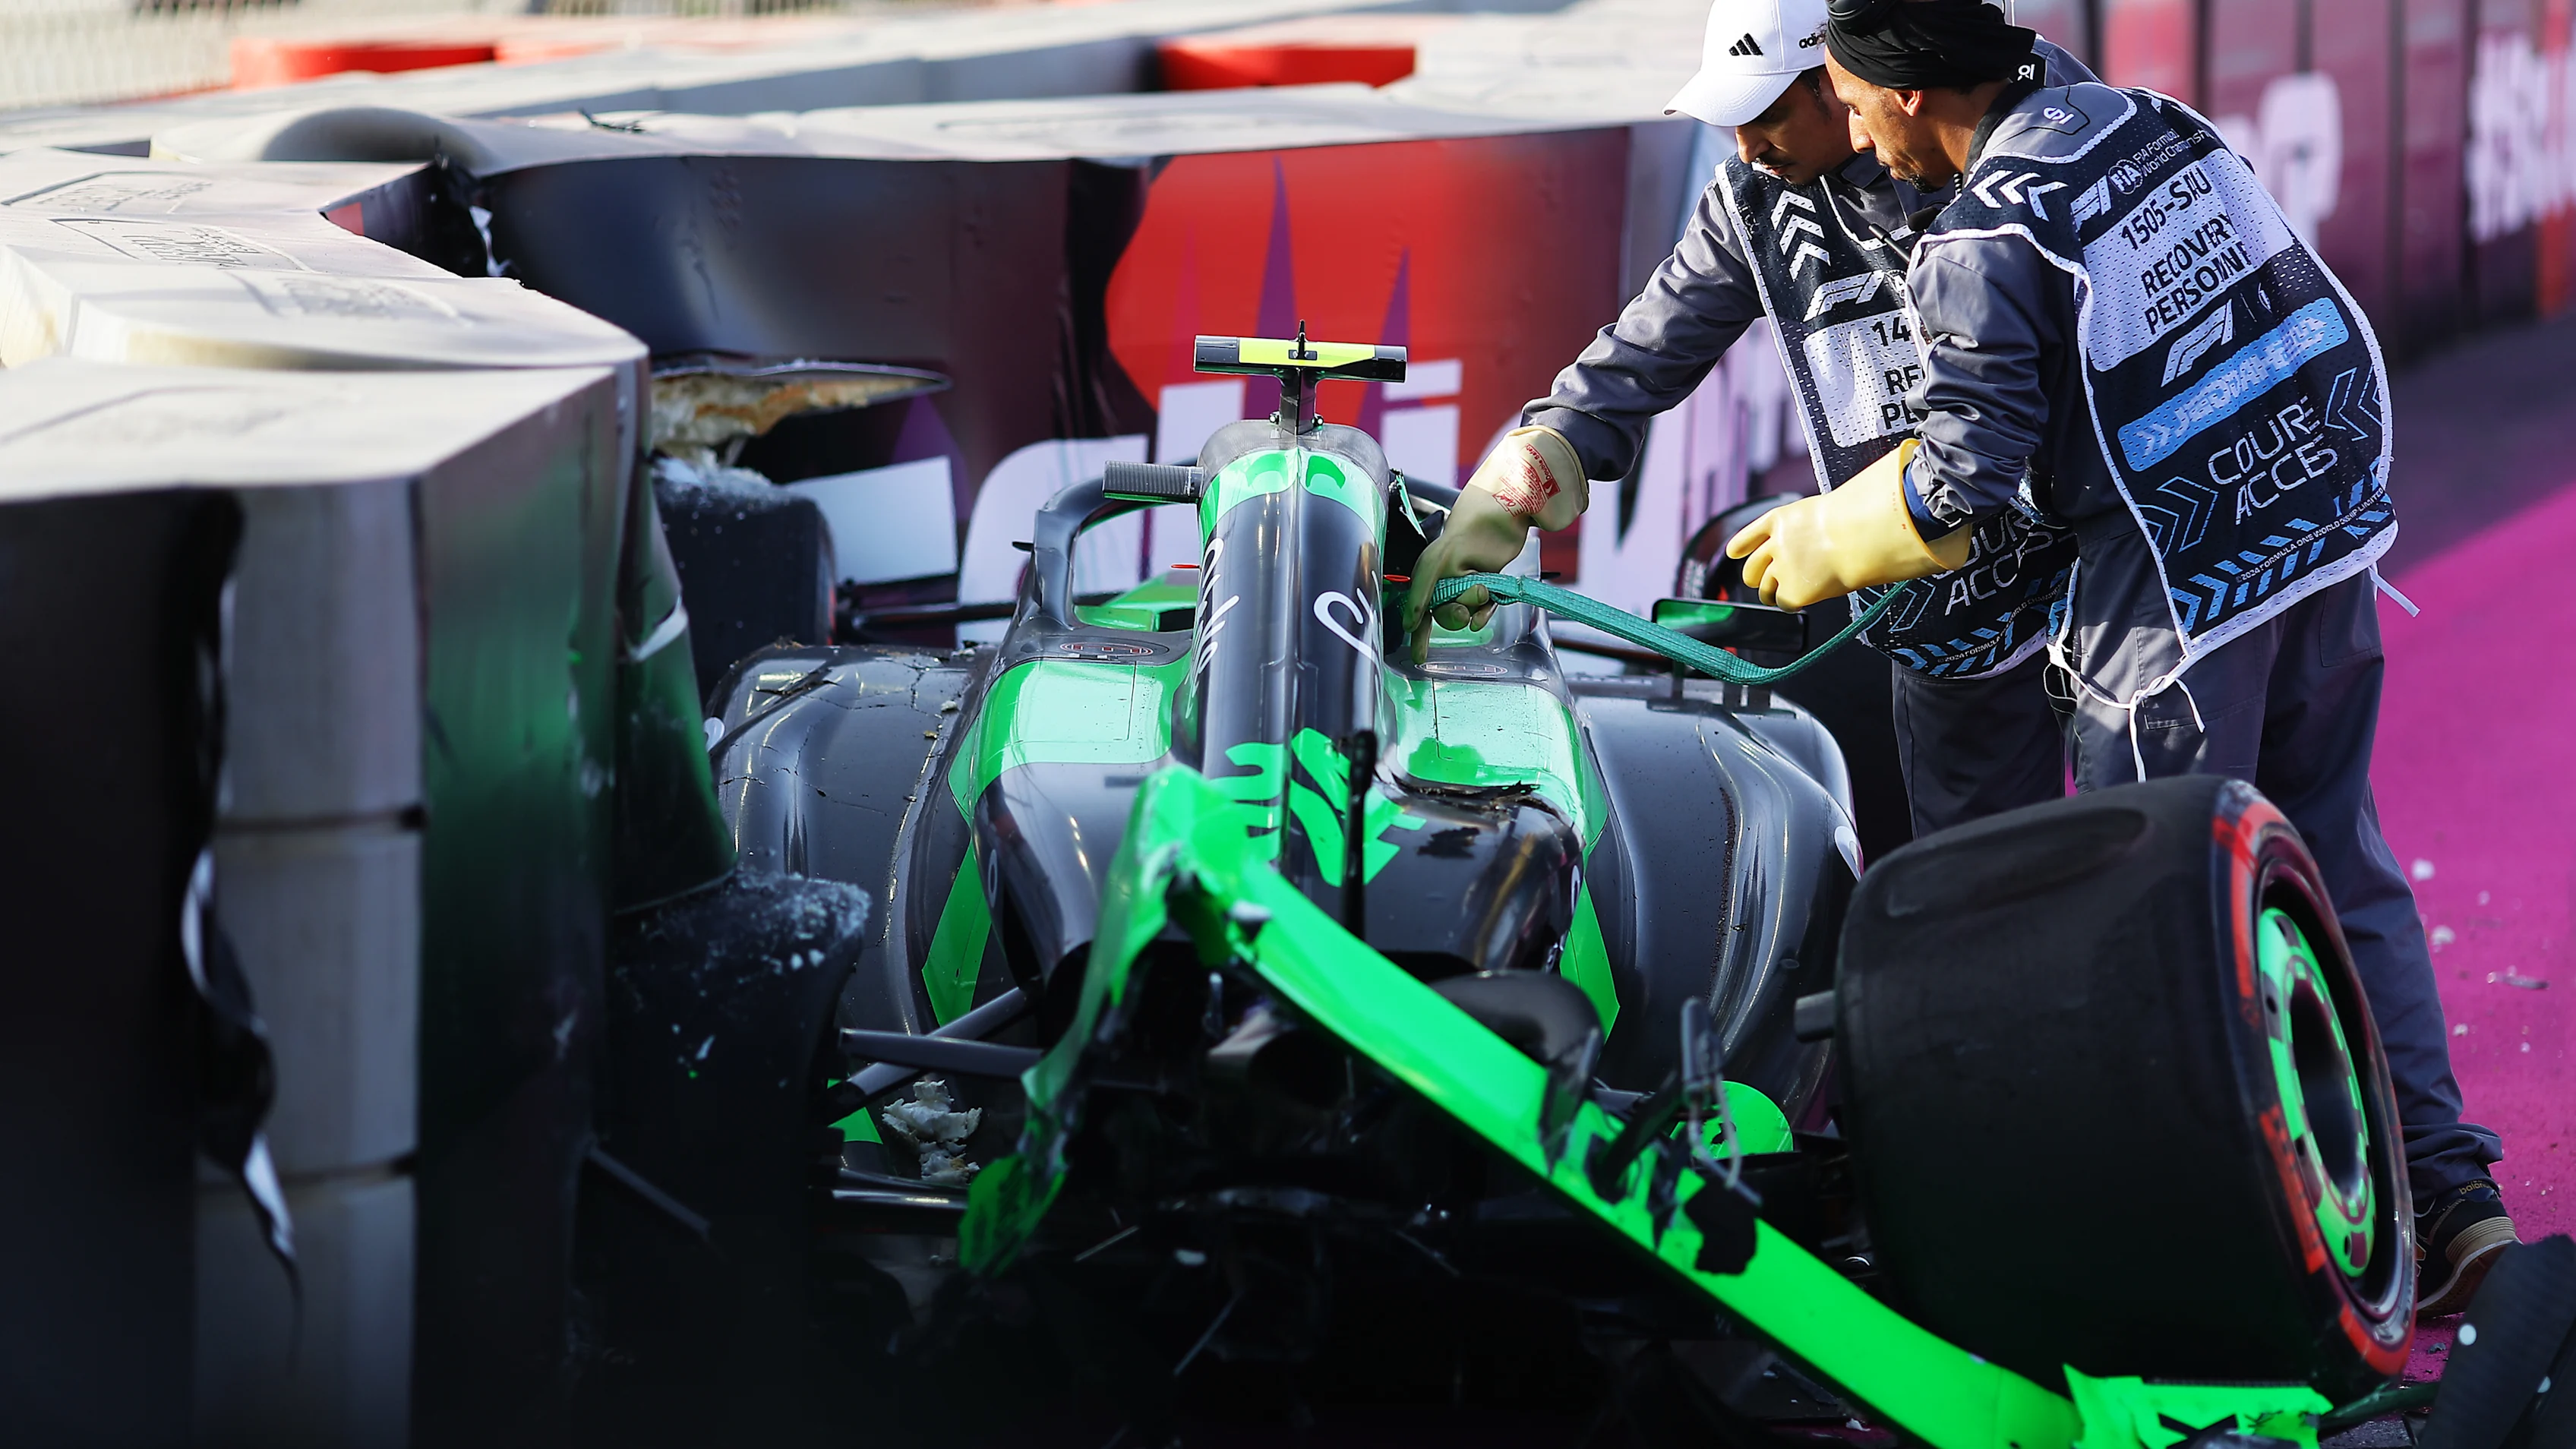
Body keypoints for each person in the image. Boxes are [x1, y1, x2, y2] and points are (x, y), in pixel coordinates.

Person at [1741, 0, 2512, 1312]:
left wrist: (1831, 535)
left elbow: (1966, 482)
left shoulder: (1983, 229)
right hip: (2323, 512)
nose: (1859, 142)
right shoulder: (2145, 119)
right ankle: (2446, 1199)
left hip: (2182, 582)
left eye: (1857, 105)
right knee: (2334, 858)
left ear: (1910, 91)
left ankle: (2208, 1261)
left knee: (2154, 919)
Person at [1405, 0, 2094, 844]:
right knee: (1985, 873)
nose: (1744, 147)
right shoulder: (1756, 195)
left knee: (2155, 853)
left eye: (1764, 114)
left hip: (2105, 573)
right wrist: (1528, 471)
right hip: (1947, 609)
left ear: (1837, 80)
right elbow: (1646, 346)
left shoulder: (2025, 124)